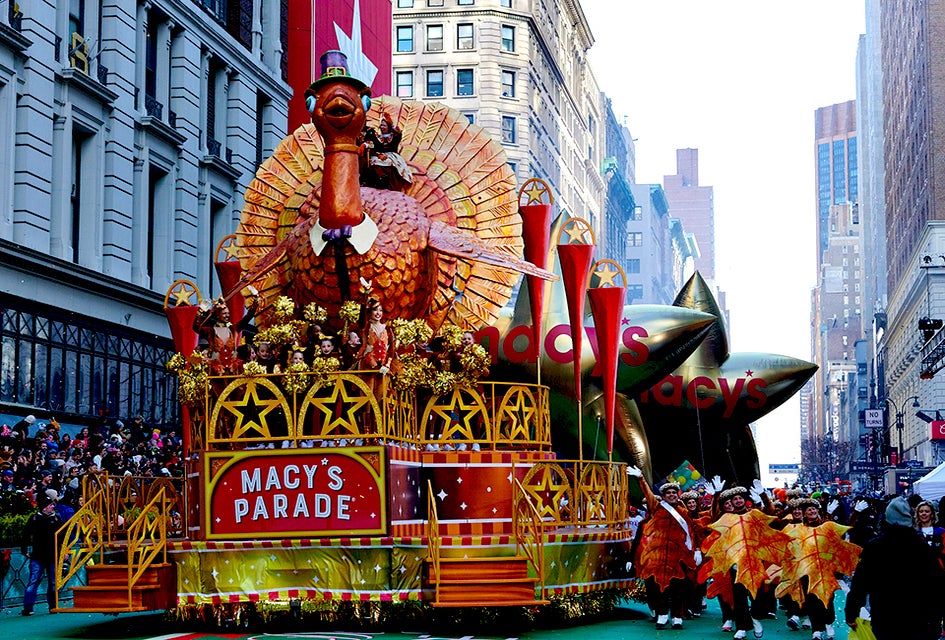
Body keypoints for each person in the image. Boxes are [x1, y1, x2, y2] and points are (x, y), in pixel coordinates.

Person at [845, 496, 945, 640]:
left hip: (885, 615)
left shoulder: (875, 547)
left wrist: (851, 611)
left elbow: (860, 584)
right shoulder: (922, 548)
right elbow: (937, 585)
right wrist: (937, 619)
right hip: (919, 617)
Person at [627, 466, 697, 630]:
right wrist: (640, 478)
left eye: (674, 493)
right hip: (658, 555)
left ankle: (677, 617)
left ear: (677, 495)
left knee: (678, 587)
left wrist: (697, 550)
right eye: (669, 493)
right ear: (664, 497)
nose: (672, 495)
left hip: (677, 556)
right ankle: (662, 614)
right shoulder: (657, 508)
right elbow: (648, 494)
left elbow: (692, 533)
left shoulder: (684, 513)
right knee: (660, 586)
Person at [21, 493, 64, 615]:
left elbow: (63, 536)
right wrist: (24, 550)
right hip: (38, 556)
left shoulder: (57, 519)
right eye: (50, 505)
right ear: (44, 507)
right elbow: (25, 534)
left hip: (52, 556)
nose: (52, 507)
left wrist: (63, 552)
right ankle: (28, 607)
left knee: (53, 582)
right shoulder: (35, 519)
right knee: (33, 581)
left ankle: (53, 606)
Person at [360, 112, 413, 191]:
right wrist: (364, 145)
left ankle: (390, 184)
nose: (382, 127)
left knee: (390, 162)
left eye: (384, 125)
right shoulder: (377, 136)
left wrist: (391, 124)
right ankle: (379, 180)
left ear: (389, 127)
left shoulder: (394, 137)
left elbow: (398, 132)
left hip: (392, 156)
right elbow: (371, 143)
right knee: (374, 162)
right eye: (381, 125)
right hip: (378, 155)